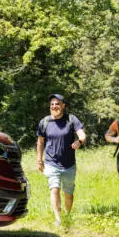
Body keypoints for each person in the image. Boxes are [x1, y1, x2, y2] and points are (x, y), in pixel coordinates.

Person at [36, 94, 86, 226]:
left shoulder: (71, 119)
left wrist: (79, 141)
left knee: (68, 193)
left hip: (69, 164)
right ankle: (58, 219)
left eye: (57, 104)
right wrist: (39, 159)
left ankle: (67, 215)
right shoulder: (44, 122)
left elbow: (82, 134)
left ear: (63, 105)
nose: (54, 106)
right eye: (52, 104)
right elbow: (40, 142)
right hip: (51, 162)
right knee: (54, 189)